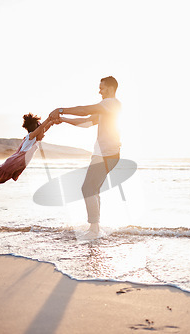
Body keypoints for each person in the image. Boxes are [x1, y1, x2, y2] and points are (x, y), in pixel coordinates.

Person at [50, 76, 121, 236]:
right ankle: (95, 227)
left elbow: (85, 109)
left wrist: (61, 109)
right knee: (93, 189)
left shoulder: (109, 103)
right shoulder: (108, 107)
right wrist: (63, 119)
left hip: (105, 154)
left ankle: (94, 228)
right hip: (106, 154)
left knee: (87, 188)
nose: (99, 91)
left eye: (101, 88)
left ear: (110, 88)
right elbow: (86, 122)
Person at [0, 113, 60, 199]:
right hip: (14, 162)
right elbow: (41, 128)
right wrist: (48, 119)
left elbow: (43, 129)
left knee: (2, 180)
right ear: (36, 130)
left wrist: (51, 123)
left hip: (19, 164)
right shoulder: (31, 137)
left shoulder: (35, 140)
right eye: (41, 130)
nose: (44, 133)